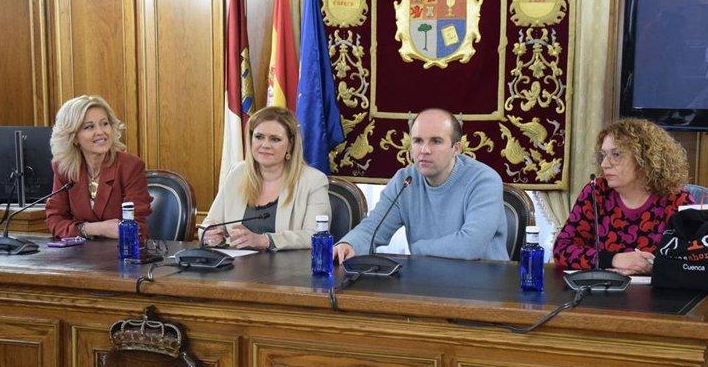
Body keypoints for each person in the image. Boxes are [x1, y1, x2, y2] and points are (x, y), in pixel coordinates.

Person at [333, 108, 508, 263]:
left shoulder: (484, 180)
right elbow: (373, 228)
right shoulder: (405, 180)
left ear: (456, 148)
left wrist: (417, 249)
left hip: (482, 286)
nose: (424, 150)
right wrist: (349, 244)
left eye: (436, 141)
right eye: (417, 141)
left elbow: (470, 245)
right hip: (426, 281)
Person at [553, 118, 692, 275]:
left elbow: (693, 261)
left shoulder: (677, 200)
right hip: (599, 295)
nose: (605, 164)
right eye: (603, 155)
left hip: (659, 297)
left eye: (616, 154)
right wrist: (614, 259)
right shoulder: (596, 192)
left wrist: (651, 267)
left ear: (645, 160)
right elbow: (562, 249)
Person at [200, 106, 329, 250]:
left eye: (275, 139)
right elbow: (210, 222)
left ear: (290, 145)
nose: (265, 145)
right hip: (236, 268)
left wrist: (265, 240)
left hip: (286, 269)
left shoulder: (313, 181)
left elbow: (315, 235)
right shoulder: (237, 173)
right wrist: (209, 234)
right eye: (259, 137)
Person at [46, 95, 152, 239]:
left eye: (104, 124)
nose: (101, 132)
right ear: (74, 137)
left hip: (120, 254)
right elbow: (55, 221)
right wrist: (95, 228)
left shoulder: (130, 167)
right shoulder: (64, 168)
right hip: (78, 257)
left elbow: (136, 228)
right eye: (89, 127)